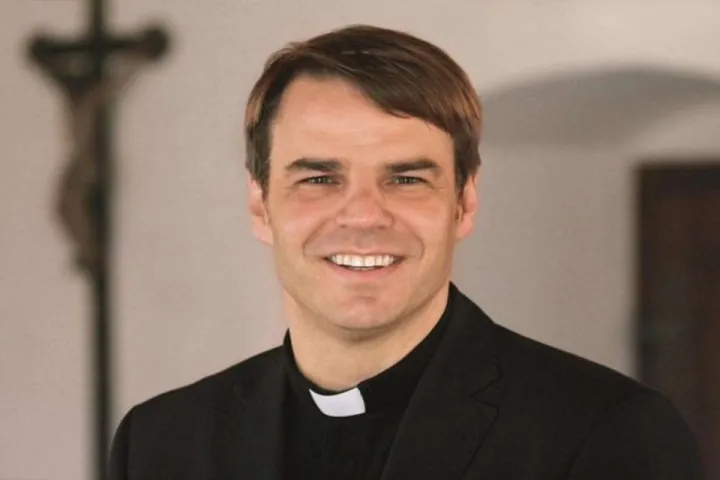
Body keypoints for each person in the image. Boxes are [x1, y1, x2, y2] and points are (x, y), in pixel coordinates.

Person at [109, 25, 703, 479]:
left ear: (463, 203)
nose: (365, 215)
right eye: (319, 179)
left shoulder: (607, 433)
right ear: (260, 205)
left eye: (406, 179)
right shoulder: (161, 443)